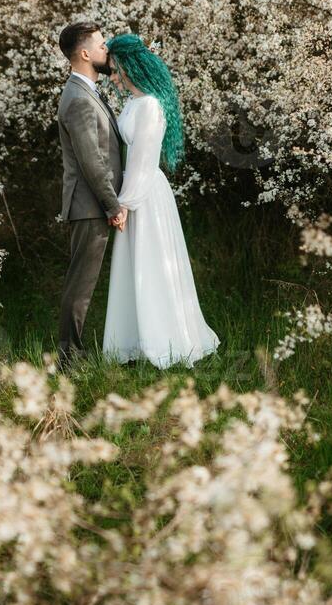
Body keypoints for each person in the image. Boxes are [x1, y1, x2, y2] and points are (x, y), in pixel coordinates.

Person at [102, 33, 220, 369]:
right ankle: (135, 340)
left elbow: (142, 159)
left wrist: (124, 204)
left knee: (152, 264)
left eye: (114, 70)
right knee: (134, 266)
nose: (112, 77)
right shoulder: (134, 102)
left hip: (145, 195)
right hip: (134, 191)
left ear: (128, 66)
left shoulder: (151, 106)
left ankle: (165, 341)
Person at [56, 21, 127, 370]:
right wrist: (112, 204)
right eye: (101, 46)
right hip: (89, 205)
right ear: (84, 54)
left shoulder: (86, 91)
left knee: (82, 281)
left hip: (92, 203)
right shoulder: (77, 99)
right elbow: (90, 160)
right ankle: (69, 359)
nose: (106, 51)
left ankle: (72, 354)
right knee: (81, 284)